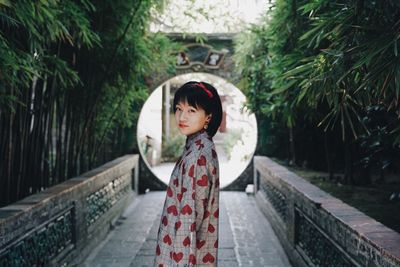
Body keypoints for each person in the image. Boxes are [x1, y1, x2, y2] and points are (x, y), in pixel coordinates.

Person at [154, 81, 223, 267]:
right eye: (178, 109)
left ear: (208, 117)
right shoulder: (200, 146)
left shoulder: (197, 156)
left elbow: (188, 222)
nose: (182, 116)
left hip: (182, 256)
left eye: (191, 111)